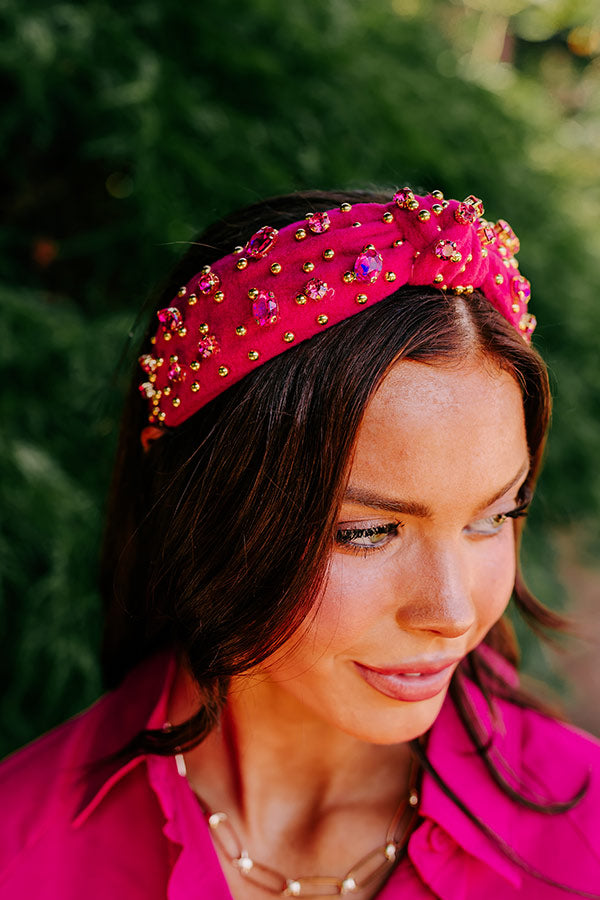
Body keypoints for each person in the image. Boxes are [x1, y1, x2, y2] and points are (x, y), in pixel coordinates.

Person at [1, 187, 599, 900]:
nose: (452, 611)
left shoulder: (582, 835)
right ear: (200, 505)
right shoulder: (22, 848)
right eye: (368, 532)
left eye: (493, 517)